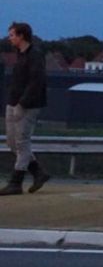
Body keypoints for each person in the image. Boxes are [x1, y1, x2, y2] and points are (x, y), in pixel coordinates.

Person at [1, 22, 49, 196]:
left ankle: (16, 182)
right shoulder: (20, 55)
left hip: (27, 105)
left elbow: (36, 81)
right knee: (12, 143)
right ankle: (38, 172)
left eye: (12, 34)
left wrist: (23, 103)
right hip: (14, 102)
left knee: (22, 142)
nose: (10, 38)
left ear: (21, 36)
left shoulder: (35, 56)